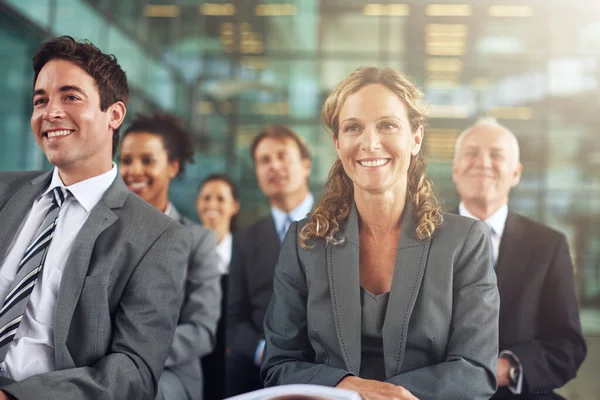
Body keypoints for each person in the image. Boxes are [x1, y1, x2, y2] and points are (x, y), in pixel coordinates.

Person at [260, 67, 500, 400]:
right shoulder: (305, 242)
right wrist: (350, 389)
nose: (370, 143)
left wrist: (390, 396)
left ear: (415, 138)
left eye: (387, 125)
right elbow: (279, 365)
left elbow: (476, 371)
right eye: (353, 127)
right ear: (337, 142)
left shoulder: (465, 241)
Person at [0, 36, 190, 400]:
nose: (50, 112)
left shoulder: (158, 237)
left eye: (70, 97)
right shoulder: (4, 192)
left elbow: (133, 370)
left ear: (114, 115)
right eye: (41, 100)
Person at [451, 117, 587, 399]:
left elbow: (567, 345)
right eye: (472, 153)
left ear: (516, 173)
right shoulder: (420, 239)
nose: (483, 163)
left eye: (497, 155)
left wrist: (505, 369)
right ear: (455, 168)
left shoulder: (548, 246)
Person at [119, 112, 221, 400]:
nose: (134, 171)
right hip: (102, 368)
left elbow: (201, 330)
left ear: (173, 166)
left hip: (168, 374)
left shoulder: (198, 241)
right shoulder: (105, 232)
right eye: (126, 161)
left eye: (148, 160)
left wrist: (132, 356)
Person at [226, 125, 314, 396]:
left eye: (282, 156)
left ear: (306, 165)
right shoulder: (243, 240)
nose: (274, 166)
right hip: (261, 374)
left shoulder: (341, 226)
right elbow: (232, 320)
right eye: (264, 161)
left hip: (329, 368)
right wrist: (261, 351)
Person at [196, 174, 241, 400]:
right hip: (197, 361)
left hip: (236, 363)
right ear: (198, 204)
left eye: (220, 199)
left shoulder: (247, 254)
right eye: (206, 198)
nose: (212, 204)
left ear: (234, 206)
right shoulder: (185, 251)